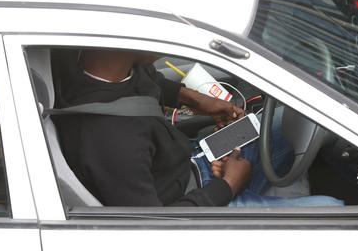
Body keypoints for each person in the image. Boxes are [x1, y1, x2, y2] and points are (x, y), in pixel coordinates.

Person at [53, 49, 342, 207]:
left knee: (304, 118)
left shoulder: (90, 60)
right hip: (200, 200)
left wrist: (194, 98)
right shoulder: (111, 142)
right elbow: (153, 230)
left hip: (196, 159)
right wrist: (227, 186)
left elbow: (145, 82)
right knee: (332, 211)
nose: (167, 44)